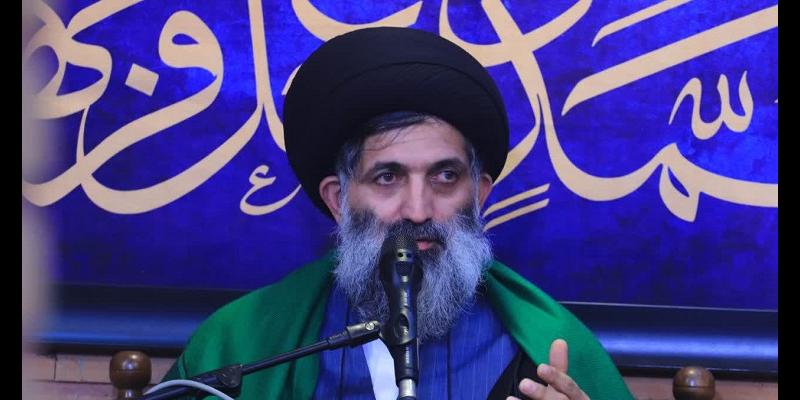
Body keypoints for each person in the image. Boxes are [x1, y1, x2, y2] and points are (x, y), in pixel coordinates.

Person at [163, 27, 634, 400]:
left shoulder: (547, 352)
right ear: (338, 199)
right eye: (387, 177)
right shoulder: (243, 344)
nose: (418, 209)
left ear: (479, 194)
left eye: (445, 176)